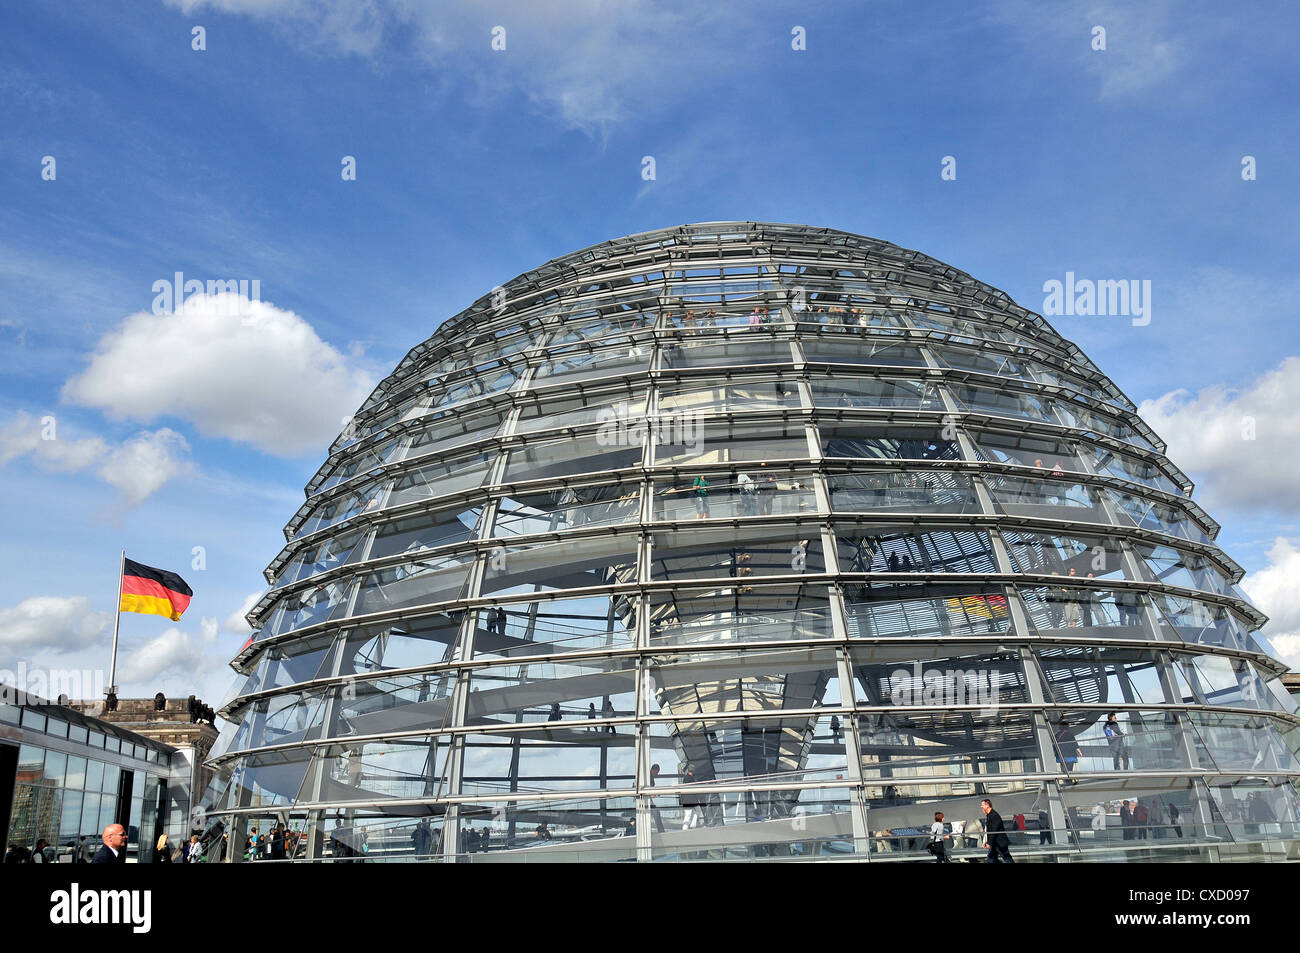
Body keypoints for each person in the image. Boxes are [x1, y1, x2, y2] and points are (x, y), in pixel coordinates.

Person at [980, 799, 1014, 863]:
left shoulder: (994, 815)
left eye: (982, 805)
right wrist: (986, 841)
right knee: (991, 859)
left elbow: (994, 830)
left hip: (1000, 842)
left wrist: (989, 842)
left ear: (987, 805)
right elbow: (988, 830)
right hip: (995, 843)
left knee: (1007, 858)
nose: (981, 806)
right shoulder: (989, 815)